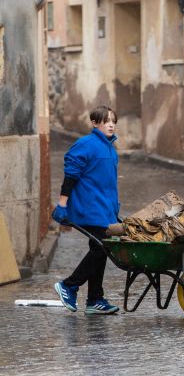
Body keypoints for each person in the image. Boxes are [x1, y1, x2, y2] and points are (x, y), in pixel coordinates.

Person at [52, 106, 120, 315]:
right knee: (103, 247)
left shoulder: (110, 148)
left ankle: (94, 299)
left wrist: (114, 208)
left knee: (99, 249)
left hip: (104, 208)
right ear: (94, 123)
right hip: (89, 207)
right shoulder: (85, 144)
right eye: (105, 120)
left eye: (113, 121)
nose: (110, 124)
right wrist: (62, 204)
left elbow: (108, 182)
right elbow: (71, 174)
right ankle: (69, 285)